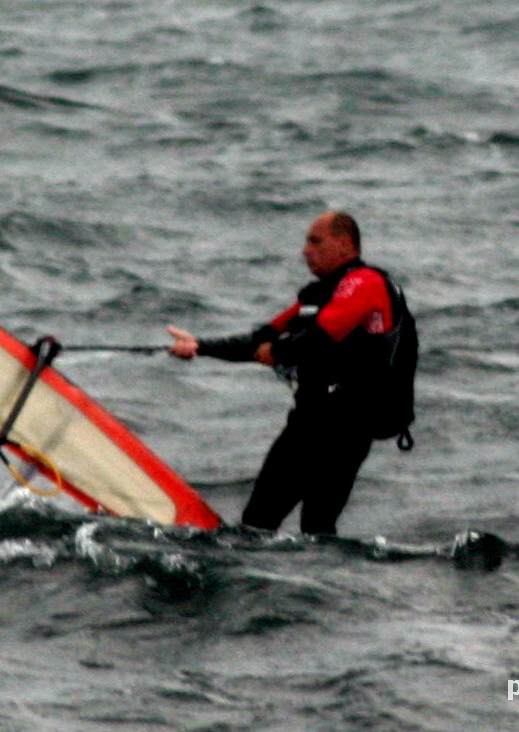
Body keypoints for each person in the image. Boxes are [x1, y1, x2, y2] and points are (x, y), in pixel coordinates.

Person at [165, 211, 414, 535]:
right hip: (311, 418)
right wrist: (199, 346)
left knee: (311, 523)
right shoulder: (321, 295)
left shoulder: (365, 283)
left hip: (347, 424)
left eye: (315, 241)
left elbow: (320, 338)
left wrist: (277, 352)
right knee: (260, 521)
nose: (305, 250)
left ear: (344, 244)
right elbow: (261, 338)